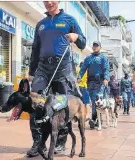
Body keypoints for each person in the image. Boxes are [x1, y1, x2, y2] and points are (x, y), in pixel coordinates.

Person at [27, 1, 86, 157]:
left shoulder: (69, 20)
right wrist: (32, 71)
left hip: (63, 67)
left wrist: (76, 36)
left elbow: (83, 42)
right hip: (42, 67)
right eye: (45, 1)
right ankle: (38, 144)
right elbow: (35, 49)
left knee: (62, 106)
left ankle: (60, 143)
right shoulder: (41, 24)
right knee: (35, 104)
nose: (49, 3)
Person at [77, 41, 110, 129]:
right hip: (90, 83)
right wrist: (79, 76)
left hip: (100, 82)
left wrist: (106, 78)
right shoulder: (88, 58)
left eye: (97, 46)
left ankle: (95, 119)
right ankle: (97, 120)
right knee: (93, 101)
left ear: (100, 47)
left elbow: (106, 68)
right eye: (94, 46)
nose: (95, 47)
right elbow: (83, 68)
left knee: (97, 100)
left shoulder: (103, 58)